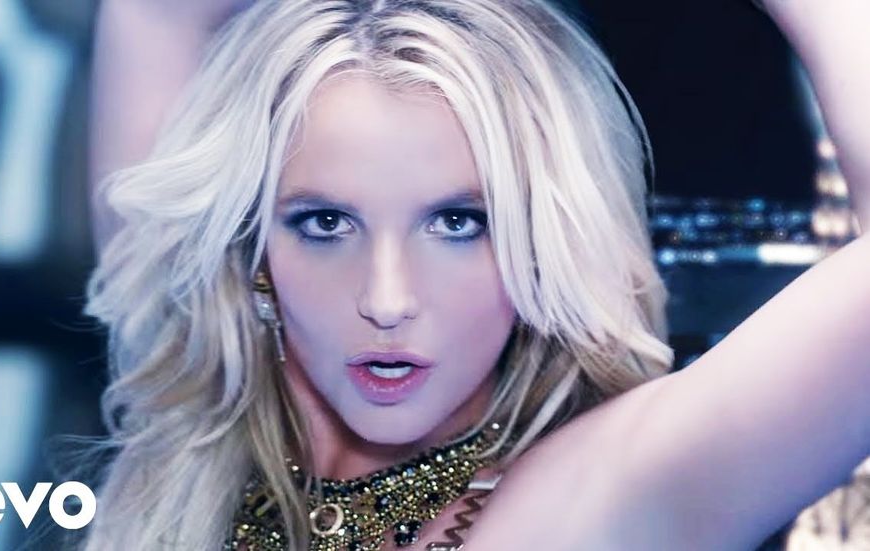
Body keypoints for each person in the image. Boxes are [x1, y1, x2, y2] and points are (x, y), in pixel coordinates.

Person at [82, 0, 870, 549]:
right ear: (252, 250)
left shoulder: (609, 494)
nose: (387, 300)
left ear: (541, 246)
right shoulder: (194, 440)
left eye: (459, 223)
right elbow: (156, 14)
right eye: (325, 223)